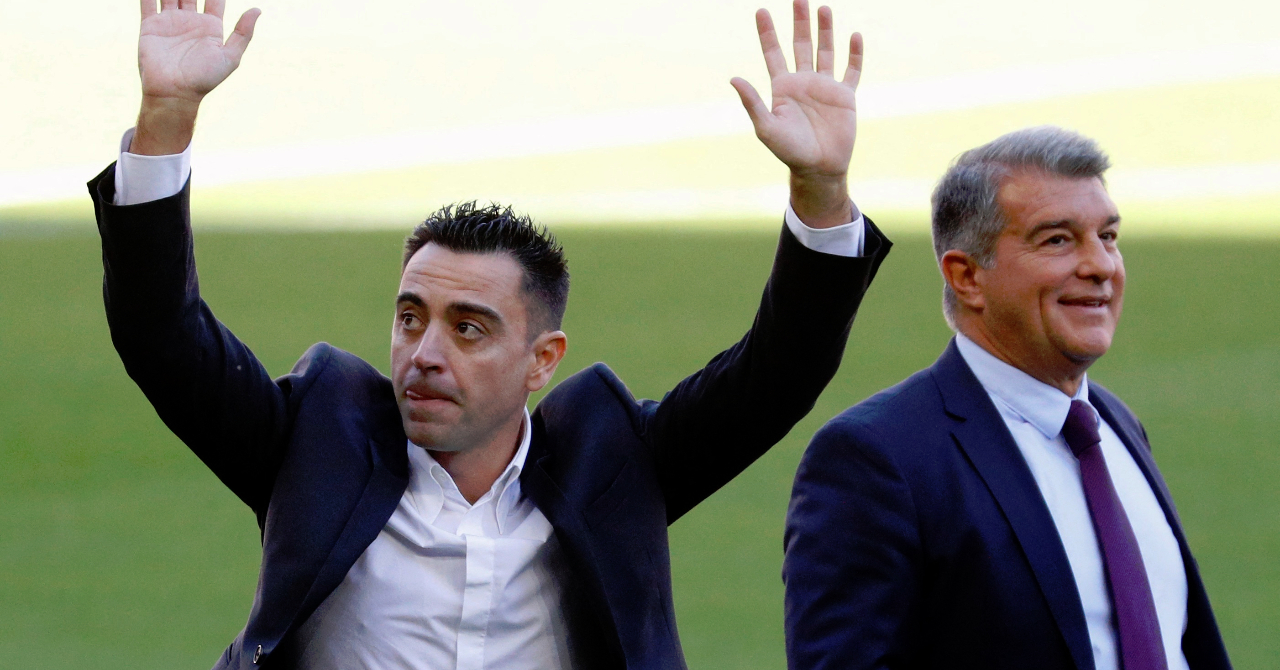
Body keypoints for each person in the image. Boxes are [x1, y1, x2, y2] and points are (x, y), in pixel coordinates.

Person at [89, 1, 891, 668]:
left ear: (542, 360)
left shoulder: (615, 464)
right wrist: (167, 118)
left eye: (469, 329)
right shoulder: (315, 442)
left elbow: (780, 372)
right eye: (411, 318)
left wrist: (819, 190)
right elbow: (163, 335)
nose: (425, 354)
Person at [782, 127, 1232, 670]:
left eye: (1108, 236)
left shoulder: (1113, 424)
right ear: (967, 276)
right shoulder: (877, 459)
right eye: (1058, 240)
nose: (1101, 266)